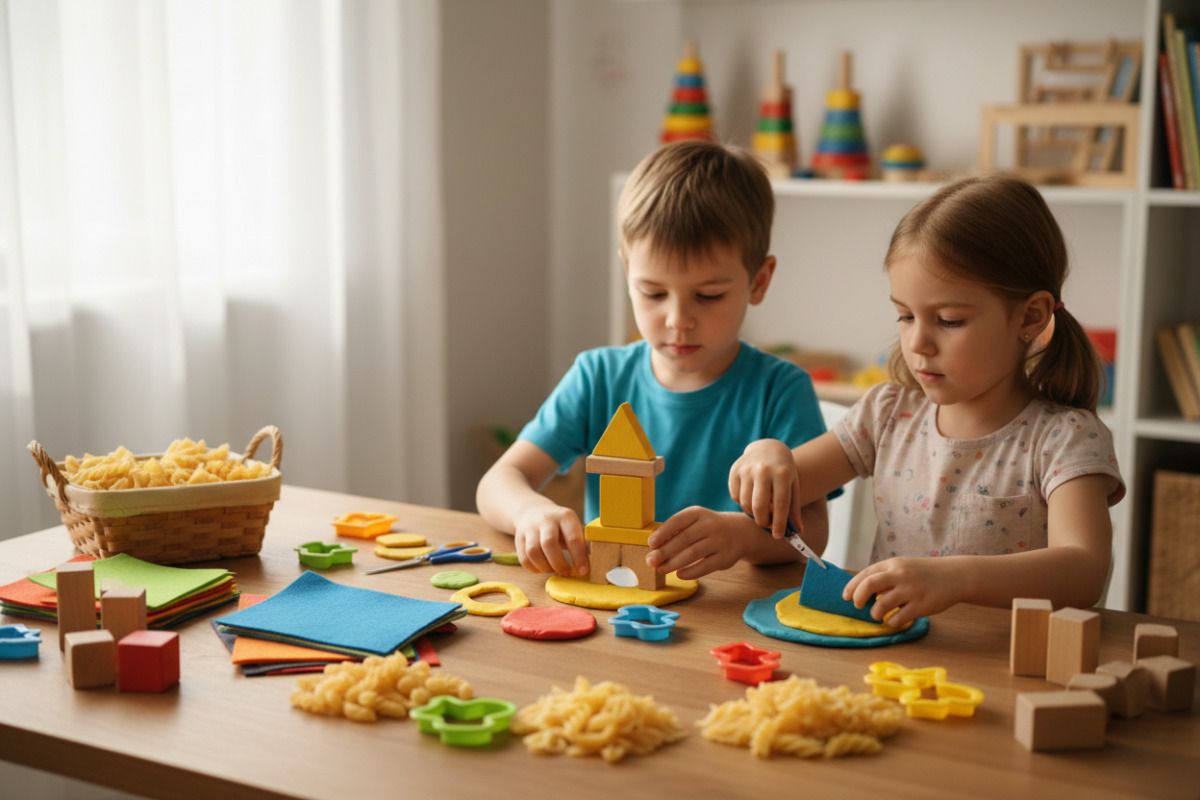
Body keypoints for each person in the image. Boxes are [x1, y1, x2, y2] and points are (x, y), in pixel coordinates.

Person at [729, 173, 1125, 628]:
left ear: (1030, 317)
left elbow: (1083, 571)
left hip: (1007, 670)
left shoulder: (1065, 439)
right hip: (892, 665)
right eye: (904, 314)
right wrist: (766, 454)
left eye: (950, 320)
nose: (918, 342)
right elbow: (790, 481)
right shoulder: (887, 414)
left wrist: (956, 579)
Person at [476, 139, 832, 582]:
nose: (678, 320)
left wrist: (741, 535)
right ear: (628, 273)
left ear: (758, 282)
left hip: (727, 616)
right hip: (616, 605)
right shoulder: (597, 377)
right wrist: (531, 512)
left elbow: (812, 530)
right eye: (653, 293)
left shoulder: (781, 390)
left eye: (708, 295)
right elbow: (499, 479)